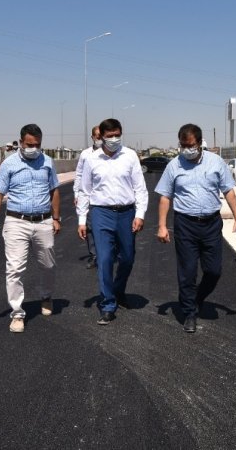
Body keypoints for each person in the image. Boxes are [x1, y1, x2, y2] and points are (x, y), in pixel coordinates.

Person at [155, 123, 236, 333]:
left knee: (213, 270)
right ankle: (189, 313)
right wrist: (162, 226)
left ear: (200, 143)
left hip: (211, 224)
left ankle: (197, 298)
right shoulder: (174, 166)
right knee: (187, 272)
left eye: (191, 145)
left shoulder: (216, 163)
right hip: (185, 224)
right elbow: (165, 197)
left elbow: (229, 192)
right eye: (183, 145)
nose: (187, 149)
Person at [0, 123, 61, 333]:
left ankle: (46, 296)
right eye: (29, 144)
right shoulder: (9, 164)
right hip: (17, 222)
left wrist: (56, 218)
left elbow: (54, 191)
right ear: (20, 142)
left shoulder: (48, 162)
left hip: (43, 222)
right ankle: (17, 313)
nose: (33, 148)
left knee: (48, 265)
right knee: (15, 269)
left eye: (37, 144)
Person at [76, 118, 148, 325]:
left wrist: (140, 214)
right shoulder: (92, 159)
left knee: (127, 258)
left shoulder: (130, 156)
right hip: (101, 213)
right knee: (105, 259)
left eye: (118, 135)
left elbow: (140, 188)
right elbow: (85, 191)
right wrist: (82, 219)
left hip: (127, 213)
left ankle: (118, 289)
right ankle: (108, 304)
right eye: (110, 136)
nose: (114, 139)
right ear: (102, 137)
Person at [73, 125, 102, 269]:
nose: (100, 139)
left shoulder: (112, 154)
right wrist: (76, 194)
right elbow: (79, 175)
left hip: (104, 199)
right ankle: (94, 255)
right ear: (92, 137)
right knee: (89, 228)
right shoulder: (86, 154)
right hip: (89, 197)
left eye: (102, 136)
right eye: (97, 136)